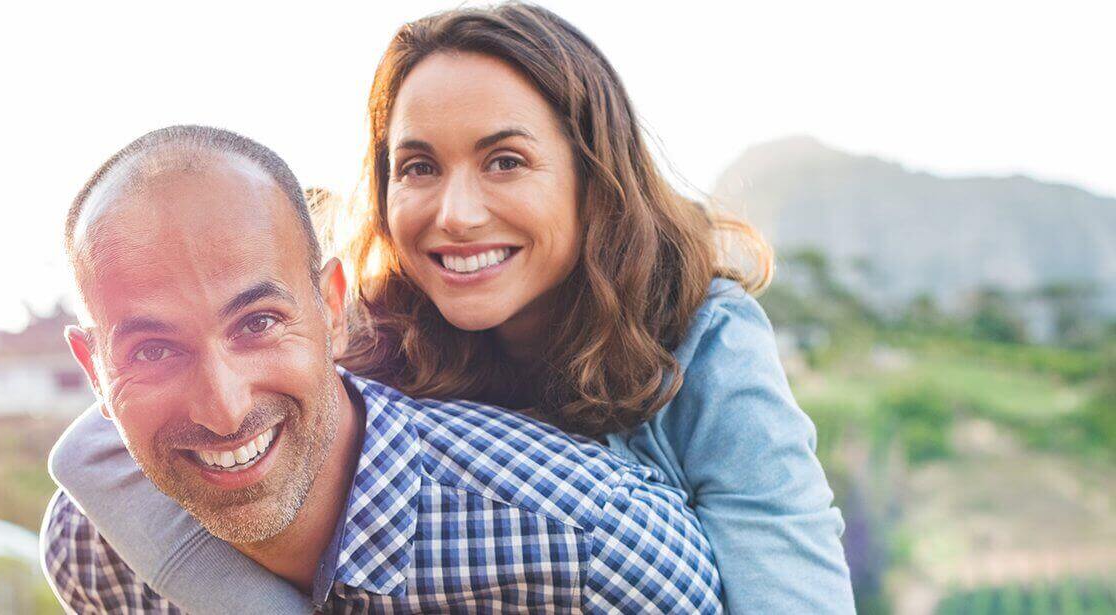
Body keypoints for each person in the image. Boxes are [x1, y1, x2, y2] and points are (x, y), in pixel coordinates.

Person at [51, 4, 855, 614]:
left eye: (505, 161)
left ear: (590, 172)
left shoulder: (702, 340)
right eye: (419, 167)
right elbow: (95, 445)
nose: (456, 212)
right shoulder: (374, 317)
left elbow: (791, 582)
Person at [41, 125, 724, 613]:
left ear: (333, 309)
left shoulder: (592, 553)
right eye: (153, 350)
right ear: (94, 371)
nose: (222, 408)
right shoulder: (95, 552)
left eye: (258, 323)